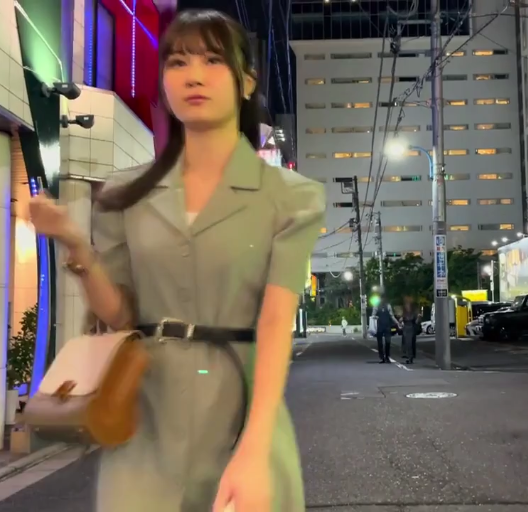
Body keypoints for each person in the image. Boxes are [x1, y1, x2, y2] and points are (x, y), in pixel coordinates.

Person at [27, 10, 323, 512]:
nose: (194, 75)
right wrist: (76, 246)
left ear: (247, 82)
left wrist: (254, 451)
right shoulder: (124, 191)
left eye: (213, 60)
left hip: (241, 410)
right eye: (178, 62)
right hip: (146, 411)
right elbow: (120, 313)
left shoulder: (292, 196)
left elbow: (276, 321)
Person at [372, 292, 401, 364]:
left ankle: (387, 356)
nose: (383, 300)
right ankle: (382, 357)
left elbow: (391, 316)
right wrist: (376, 317)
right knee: (380, 343)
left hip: (387, 326)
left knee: (388, 342)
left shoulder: (388, 306)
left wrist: (397, 323)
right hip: (380, 326)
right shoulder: (376, 306)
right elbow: (373, 315)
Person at [401, 298, 419, 364]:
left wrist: (418, 318)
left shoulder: (413, 313)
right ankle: (408, 356)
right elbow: (401, 320)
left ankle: (410, 357)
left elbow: (416, 322)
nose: (407, 306)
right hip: (406, 328)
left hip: (411, 328)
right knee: (407, 343)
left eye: (408, 305)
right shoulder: (404, 313)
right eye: (406, 305)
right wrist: (401, 321)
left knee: (410, 343)